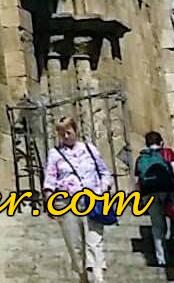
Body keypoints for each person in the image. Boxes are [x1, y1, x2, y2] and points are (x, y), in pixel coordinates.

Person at [44, 116, 113, 283]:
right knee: (75, 245)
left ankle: (98, 277)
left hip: (92, 200)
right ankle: (83, 278)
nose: (66, 136)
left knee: (94, 241)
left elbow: (104, 172)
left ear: (75, 130)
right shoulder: (55, 154)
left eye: (68, 132)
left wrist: (102, 189)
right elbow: (50, 179)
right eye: (62, 133)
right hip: (67, 203)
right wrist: (49, 201)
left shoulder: (90, 150)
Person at [134, 130, 174, 267]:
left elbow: (138, 181)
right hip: (168, 190)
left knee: (157, 225)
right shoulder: (167, 153)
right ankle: (173, 238)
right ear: (161, 142)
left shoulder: (141, 158)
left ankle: (161, 258)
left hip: (150, 193)